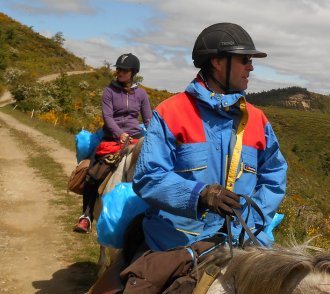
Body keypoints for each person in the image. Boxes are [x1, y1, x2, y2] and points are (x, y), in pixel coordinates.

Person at [132, 22, 288, 251]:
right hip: (177, 244)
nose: (251, 68)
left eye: (251, 61)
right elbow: (148, 177)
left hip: (243, 244)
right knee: (135, 287)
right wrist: (201, 196)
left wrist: (252, 225)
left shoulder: (258, 120)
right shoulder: (170, 113)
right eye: (244, 60)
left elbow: (274, 175)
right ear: (216, 62)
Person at [73, 53, 153, 234]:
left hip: (135, 137)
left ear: (133, 72)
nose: (121, 73)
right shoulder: (109, 91)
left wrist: (154, 135)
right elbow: (108, 117)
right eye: (119, 70)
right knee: (92, 174)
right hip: (111, 137)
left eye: (125, 70)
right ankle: (86, 217)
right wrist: (119, 134)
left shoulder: (141, 93)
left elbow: (147, 118)